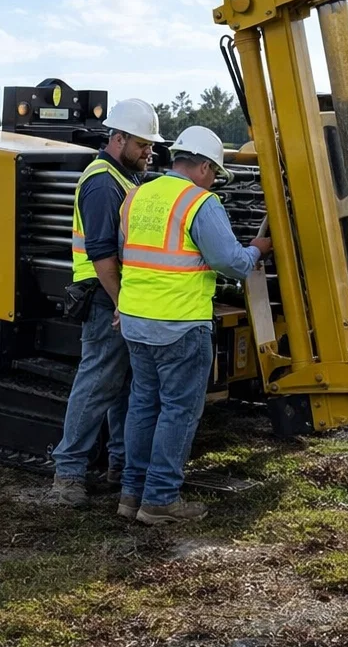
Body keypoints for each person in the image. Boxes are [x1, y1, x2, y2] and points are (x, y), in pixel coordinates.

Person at [115, 124, 272, 526]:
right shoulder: (199, 203)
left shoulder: (137, 196)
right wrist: (258, 248)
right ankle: (160, 500)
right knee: (178, 412)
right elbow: (231, 262)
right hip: (180, 325)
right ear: (202, 167)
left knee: (142, 406)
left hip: (136, 320)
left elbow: (128, 252)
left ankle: (131, 496)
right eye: (215, 173)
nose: (215, 180)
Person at [48, 97, 161, 507]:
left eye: (151, 144)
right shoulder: (101, 183)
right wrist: (120, 302)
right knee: (97, 383)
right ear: (119, 138)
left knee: (122, 387)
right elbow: (101, 255)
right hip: (103, 298)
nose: (150, 151)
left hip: (115, 297)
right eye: (143, 144)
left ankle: (118, 464)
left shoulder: (124, 178)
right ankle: (68, 474)